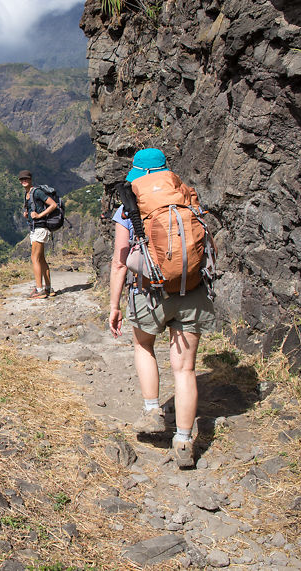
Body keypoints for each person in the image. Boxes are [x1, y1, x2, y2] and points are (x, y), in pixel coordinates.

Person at [107, 149, 216, 468]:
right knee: (185, 369)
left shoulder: (129, 207)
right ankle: (184, 441)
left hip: (149, 291)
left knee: (144, 346)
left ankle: (153, 410)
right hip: (191, 289)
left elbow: (119, 261)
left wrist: (115, 306)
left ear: (138, 173)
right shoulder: (186, 196)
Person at [19, 170, 58, 299]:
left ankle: (39, 289)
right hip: (36, 228)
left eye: (26, 179)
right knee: (41, 259)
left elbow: (53, 205)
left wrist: (39, 215)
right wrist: (28, 214)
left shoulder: (37, 192)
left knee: (34, 258)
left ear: (30, 179)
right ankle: (48, 288)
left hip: (40, 229)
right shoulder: (27, 194)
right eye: (21, 179)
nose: (24, 181)